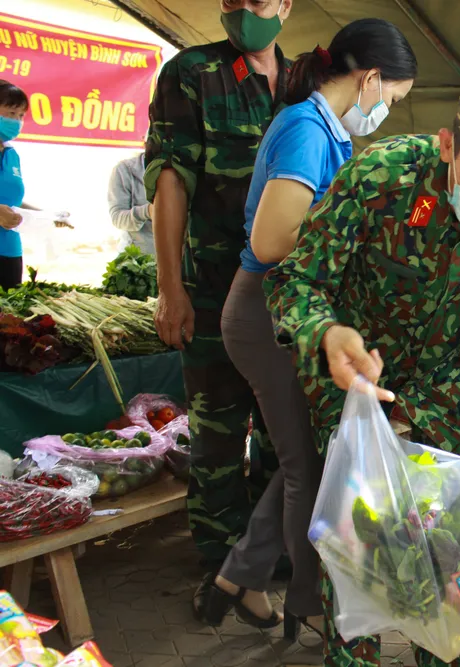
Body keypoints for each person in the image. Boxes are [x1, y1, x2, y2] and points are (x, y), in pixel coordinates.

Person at [266, 62, 460, 667]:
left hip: (452, 380)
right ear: (448, 143)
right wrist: (325, 334)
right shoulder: (383, 176)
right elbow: (298, 279)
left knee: (452, 547)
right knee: (360, 547)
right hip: (358, 379)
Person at [200, 18, 417, 637]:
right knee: (306, 469)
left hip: (288, 315)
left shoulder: (325, 131)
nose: (387, 111)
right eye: (392, 99)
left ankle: (238, 576)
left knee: (314, 456)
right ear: (371, 79)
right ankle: (308, 601)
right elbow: (271, 241)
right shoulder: (304, 129)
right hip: (266, 311)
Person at [145, 0, 292, 619]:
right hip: (210, 288)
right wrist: (170, 286)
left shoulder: (307, 81)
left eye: (256, 0)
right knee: (218, 431)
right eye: (230, 0)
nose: (241, 11)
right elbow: (169, 180)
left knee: (283, 435)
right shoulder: (191, 73)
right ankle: (220, 564)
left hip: (287, 299)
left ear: (285, 6)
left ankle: (267, 557)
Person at [0, 80, 72, 291]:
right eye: (11, 113)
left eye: (21, 115)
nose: (17, 121)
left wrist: (48, 216)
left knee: (9, 320)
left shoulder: (12, 155)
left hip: (10, 252)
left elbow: (12, 201)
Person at [108, 152, 154, 256]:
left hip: (178, 260)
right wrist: (147, 211)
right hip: (138, 260)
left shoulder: (185, 171)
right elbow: (117, 218)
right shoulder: (125, 170)